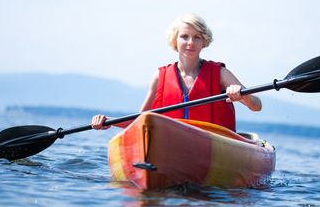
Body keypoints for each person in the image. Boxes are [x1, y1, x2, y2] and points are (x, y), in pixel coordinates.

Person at [91, 13, 261, 132]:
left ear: (204, 41)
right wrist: (109, 121)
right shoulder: (160, 77)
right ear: (175, 39)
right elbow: (140, 121)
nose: (191, 42)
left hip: (214, 147)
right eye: (184, 36)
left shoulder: (220, 74)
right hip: (173, 148)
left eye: (197, 37)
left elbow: (256, 105)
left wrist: (242, 95)